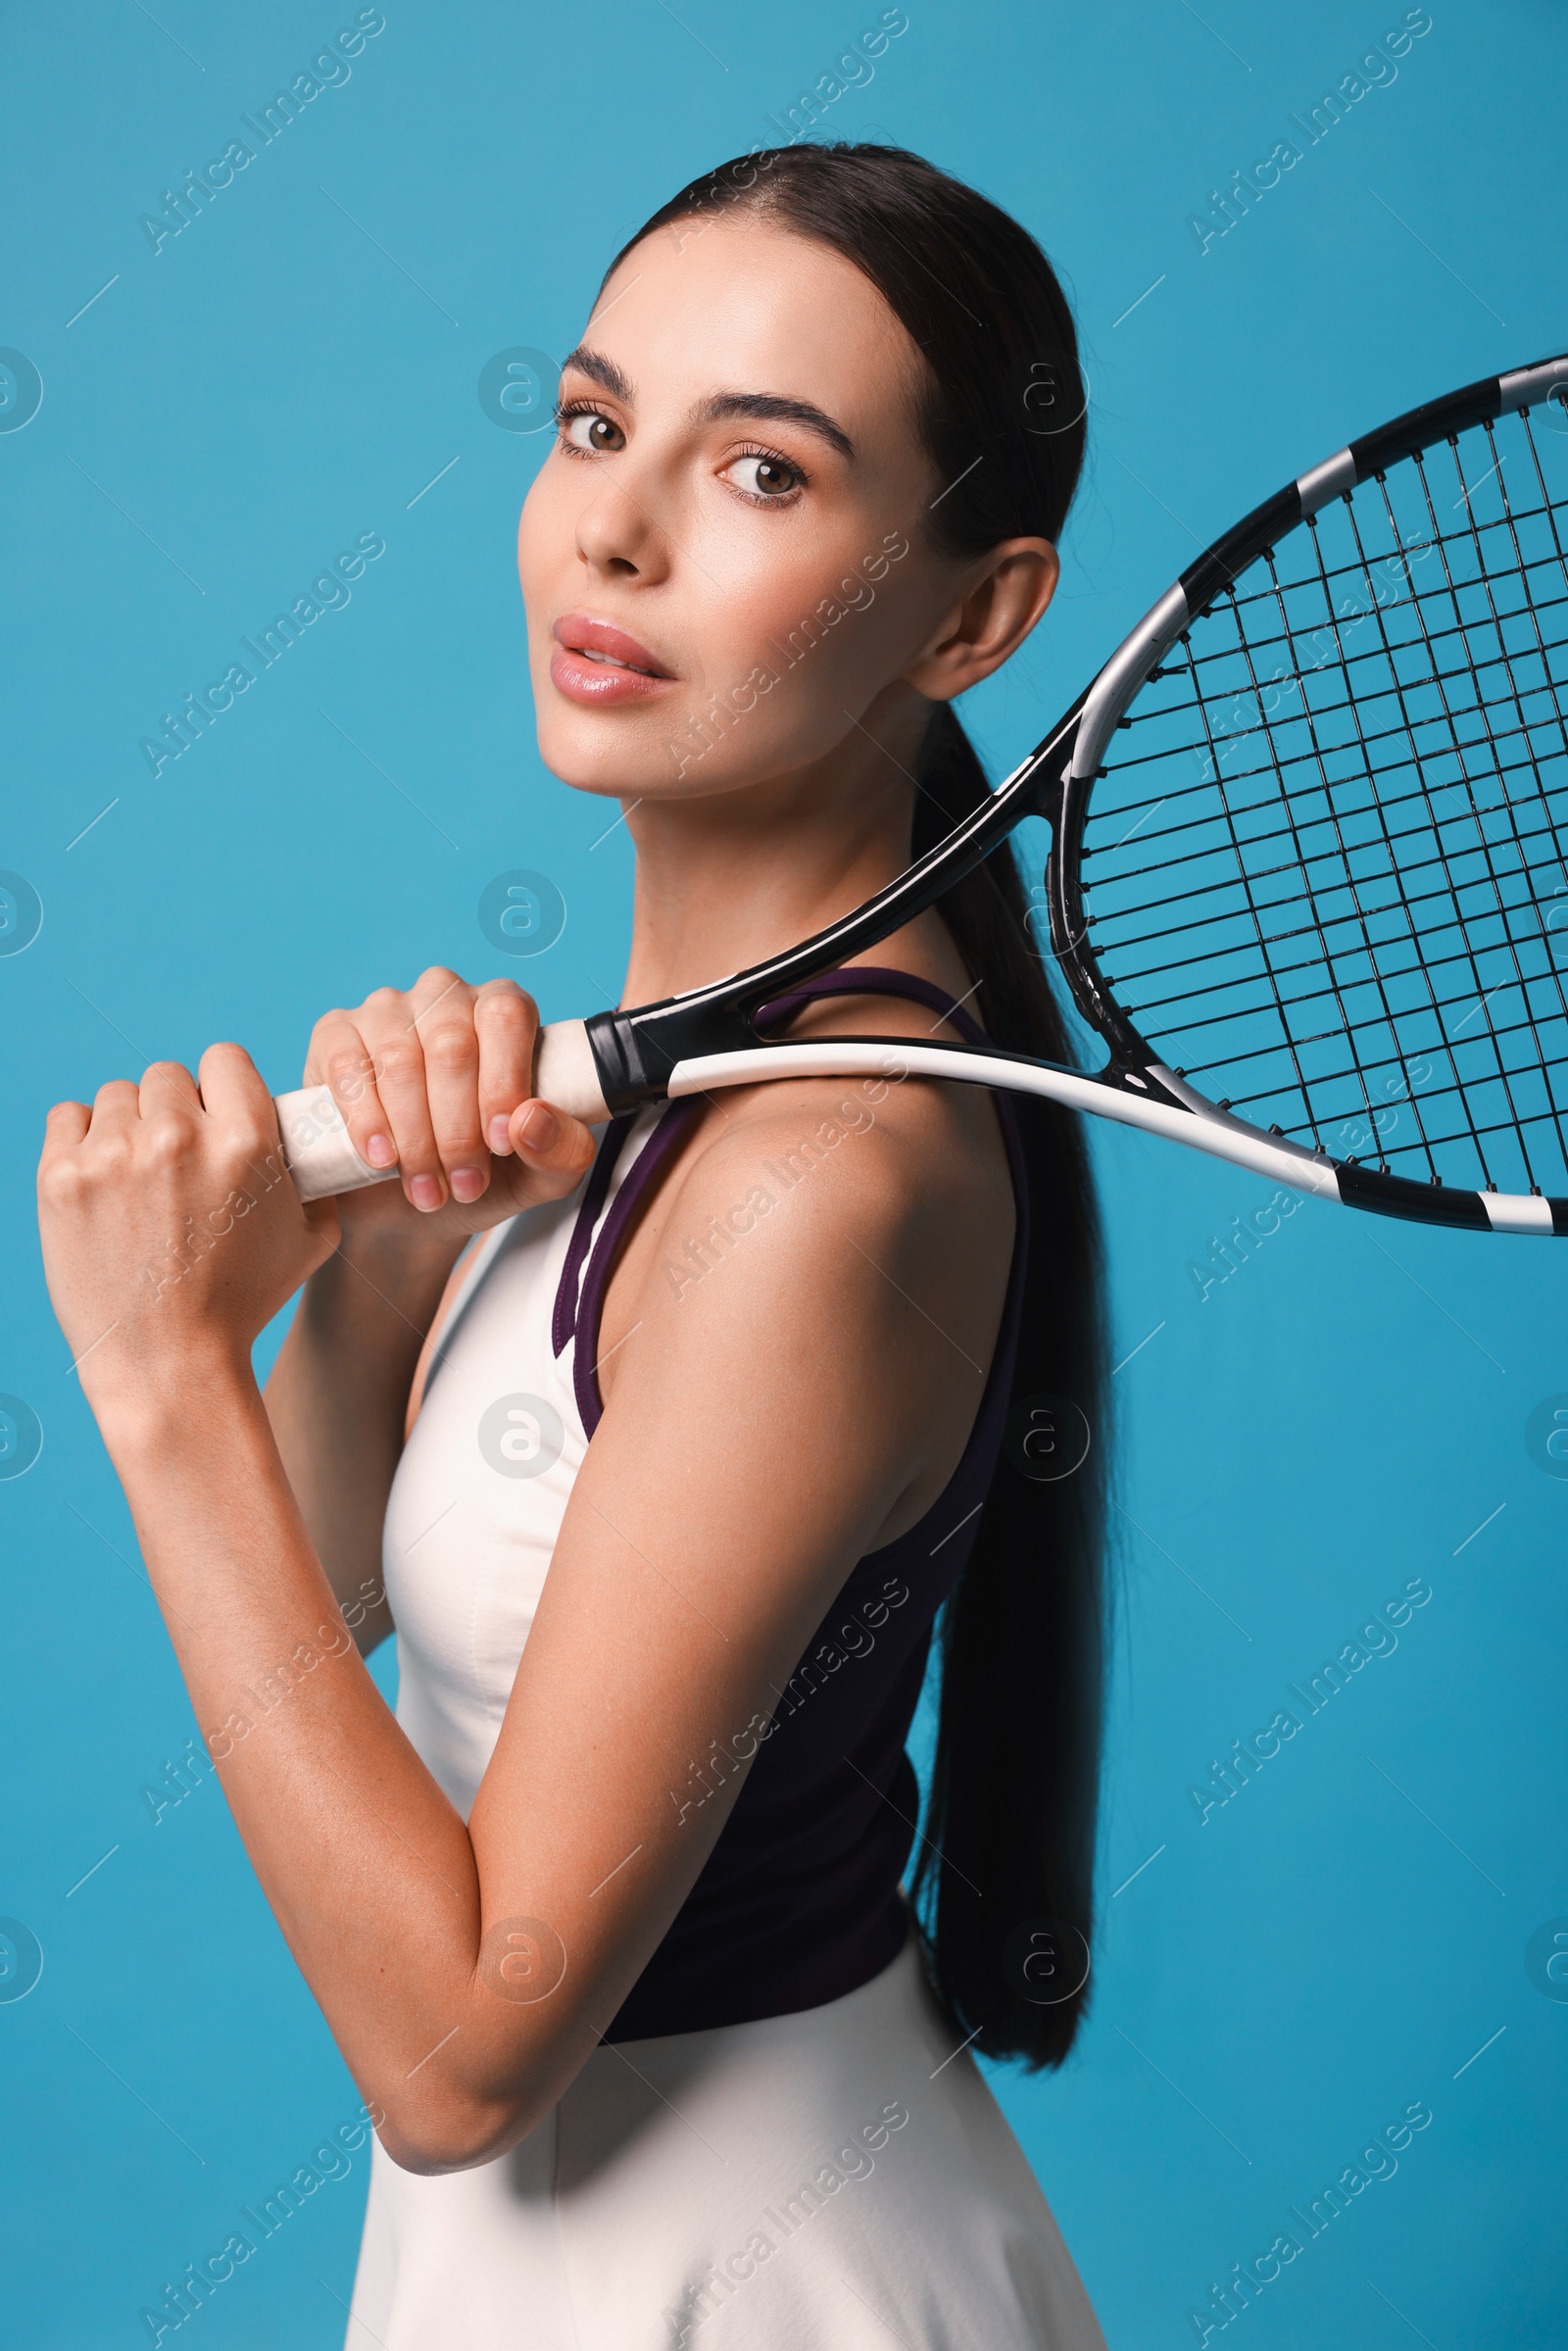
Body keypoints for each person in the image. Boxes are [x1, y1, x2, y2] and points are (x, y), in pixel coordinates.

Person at [38, 143, 1110, 2349]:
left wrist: (159, 1385)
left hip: (728, 2272)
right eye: (597, 425)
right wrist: (387, 1269)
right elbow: (350, 1606)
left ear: (973, 616)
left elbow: (456, 2051)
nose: (611, 529)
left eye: (764, 475)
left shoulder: (821, 1189)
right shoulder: (678, 1113)